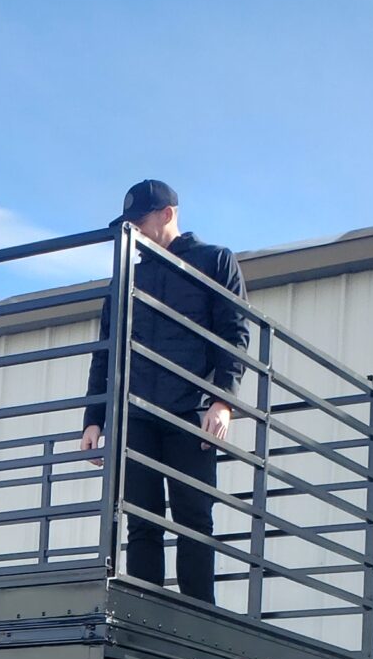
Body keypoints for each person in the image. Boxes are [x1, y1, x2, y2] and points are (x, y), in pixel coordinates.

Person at [81, 180, 250, 603]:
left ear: (168, 214)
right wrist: (94, 418)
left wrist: (223, 401)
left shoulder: (215, 261)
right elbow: (106, 351)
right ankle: (145, 612)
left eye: (140, 220)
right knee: (141, 520)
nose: (134, 230)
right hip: (136, 415)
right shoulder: (127, 278)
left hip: (191, 412)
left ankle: (198, 614)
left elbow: (234, 336)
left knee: (194, 518)